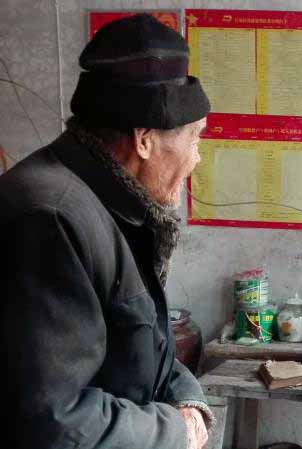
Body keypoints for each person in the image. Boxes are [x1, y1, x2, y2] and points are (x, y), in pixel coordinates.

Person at [1, 14, 214, 449]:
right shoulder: (50, 218)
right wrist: (175, 431)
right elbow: (54, 421)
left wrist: (187, 401)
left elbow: (145, 347)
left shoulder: (113, 203)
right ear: (144, 139)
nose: (197, 158)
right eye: (194, 138)